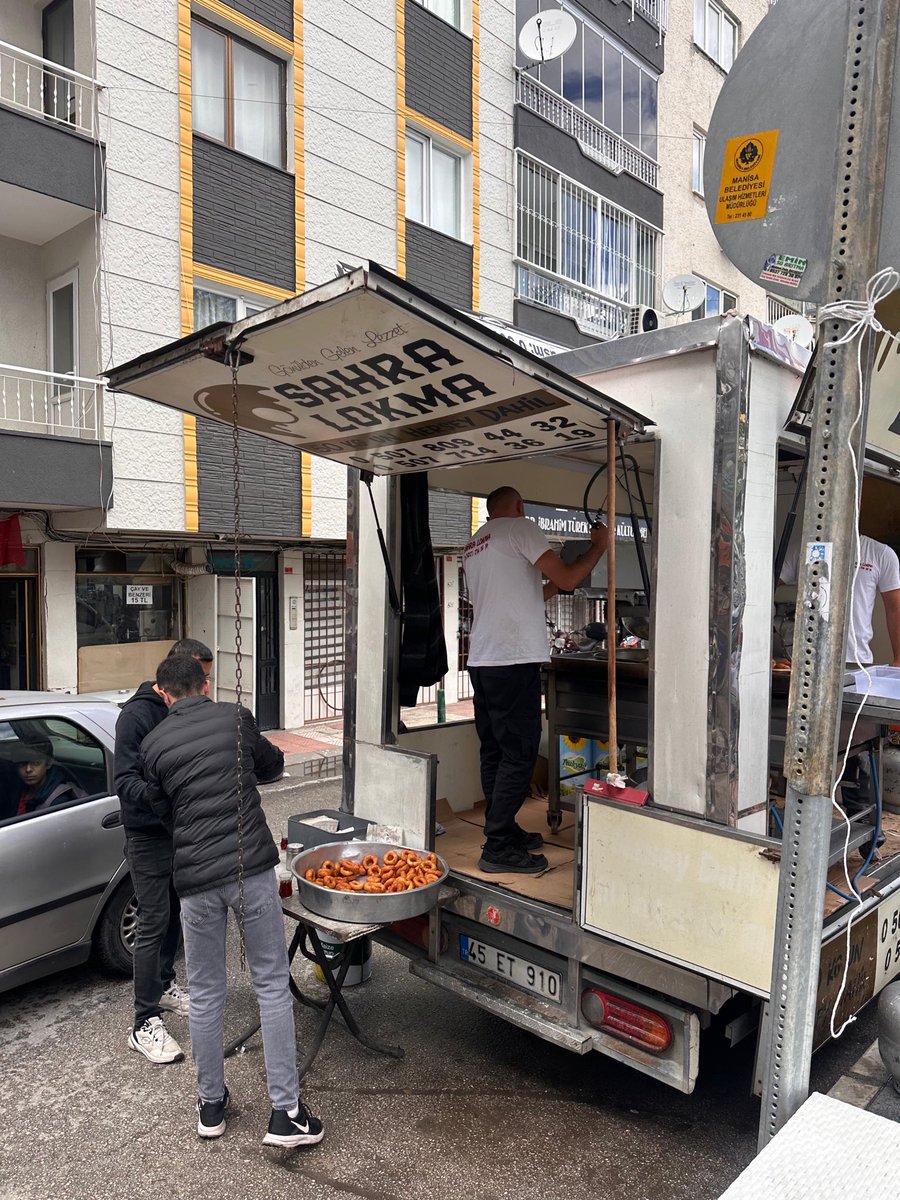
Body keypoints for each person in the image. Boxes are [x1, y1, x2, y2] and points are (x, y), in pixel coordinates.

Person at [139, 655, 324, 1148]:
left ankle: (211, 1106)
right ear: (206, 683)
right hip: (250, 869)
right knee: (270, 983)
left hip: (194, 882)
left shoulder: (152, 743)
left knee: (205, 992)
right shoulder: (235, 718)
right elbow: (272, 765)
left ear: (164, 694)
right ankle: (286, 1113)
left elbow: (163, 810)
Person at [463, 486, 609, 873]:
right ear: (520, 505)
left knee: (495, 750)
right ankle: (497, 847)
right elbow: (570, 579)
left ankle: (502, 829)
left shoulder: (475, 543)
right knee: (520, 752)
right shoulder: (521, 527)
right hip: (514, 659)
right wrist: (599, 547)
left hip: (483, 659)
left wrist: (555, 581)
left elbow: (530, 592)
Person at [115, 637, 214, 1065]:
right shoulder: (137, 717)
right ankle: (144, 1022)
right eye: (199, 677)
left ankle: (166, 983)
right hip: (149, 837)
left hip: (182, 834)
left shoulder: (187, 709)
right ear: (172, 675)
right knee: (153, 921)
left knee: (176, 913)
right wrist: (166, 799)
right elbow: (124, 783)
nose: (203, 687)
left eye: (206, 680)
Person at [778, 533, 900, 665]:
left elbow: (895, 608)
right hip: (805, 661)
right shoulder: (804, 547)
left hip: (856, 660)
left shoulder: (879, 553)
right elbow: (766, 587)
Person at [0, 738, 84, 819]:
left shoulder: (58, 800)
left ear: (48, 763)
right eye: (22, 764)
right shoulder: (16, 785)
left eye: (36, 763)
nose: (28, 769)